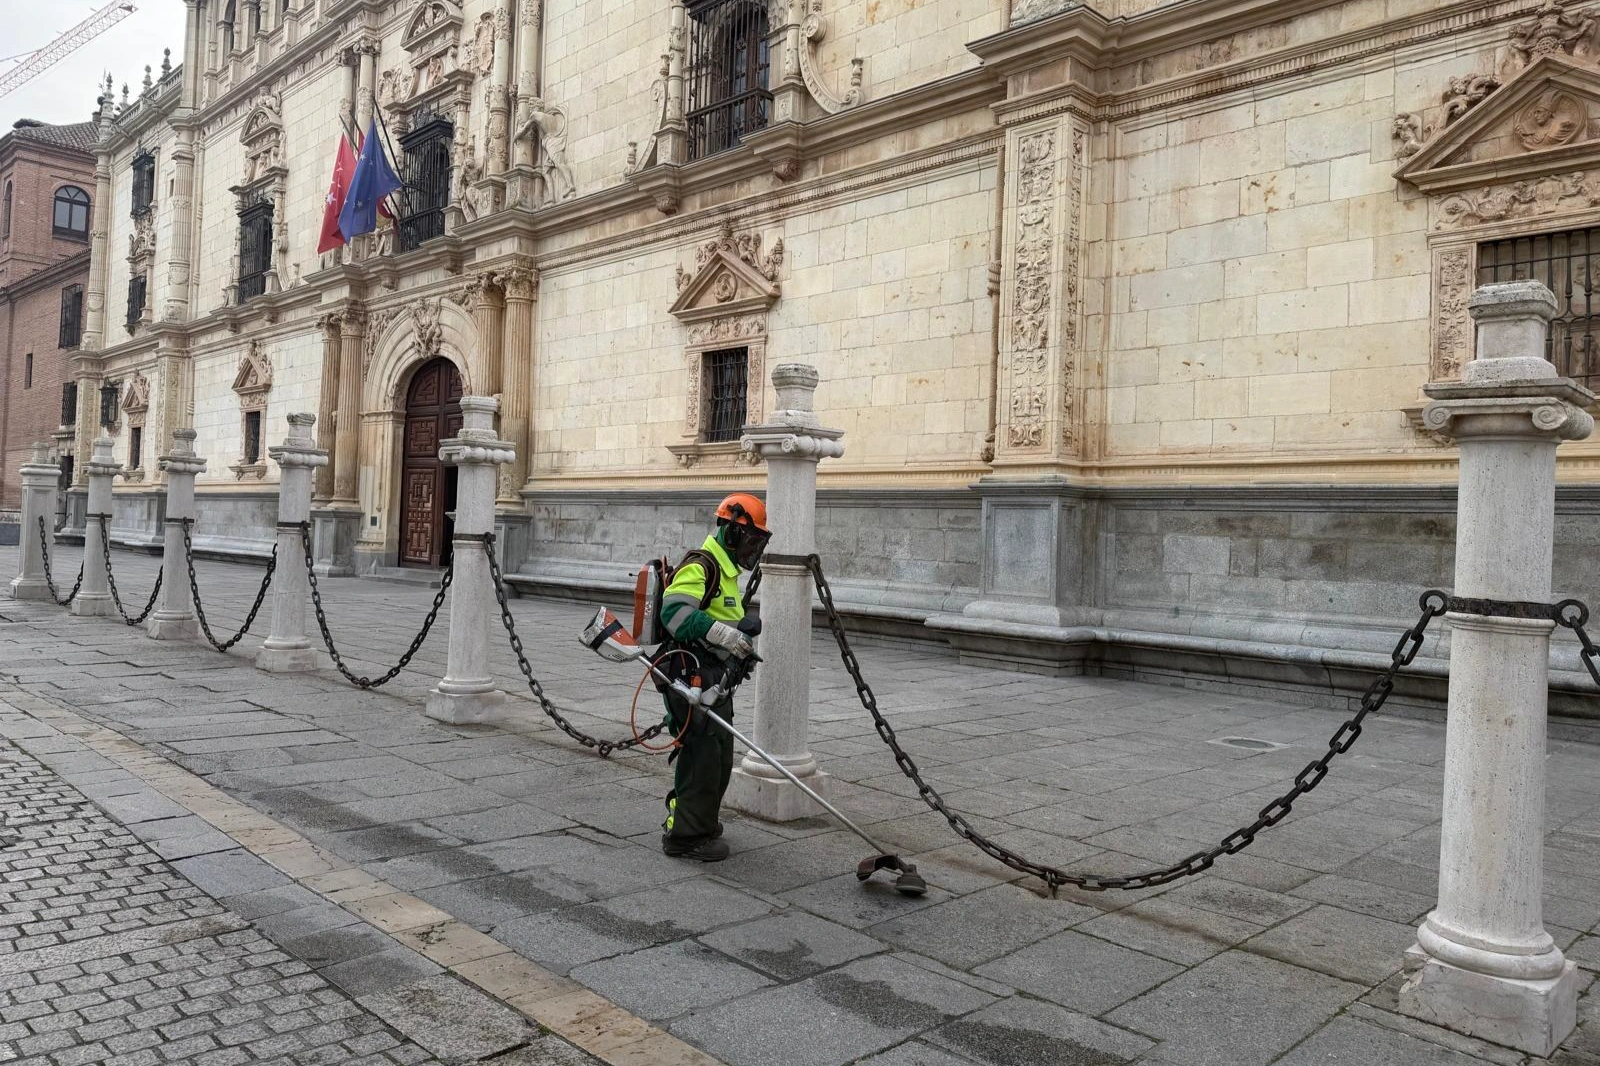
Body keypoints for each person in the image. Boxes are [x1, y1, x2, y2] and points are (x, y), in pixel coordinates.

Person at [657, 492, 770, 861]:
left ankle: (698, 818)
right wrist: (726, 635)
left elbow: (719, 615)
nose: (753, 548)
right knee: (701, 757)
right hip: (690, 675)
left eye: (758, 541)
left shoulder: (726, 570)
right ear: (732, 531)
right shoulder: (702, 565)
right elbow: (673, 613)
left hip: (714, 678)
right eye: (751, 539)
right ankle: (685, 837)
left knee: (718, 758)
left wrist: (741, 638)